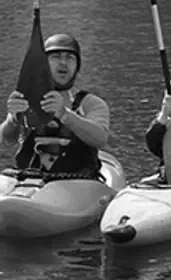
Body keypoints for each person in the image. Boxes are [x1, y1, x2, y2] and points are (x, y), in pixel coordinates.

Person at [3, 33, 111, 181]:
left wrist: (64, 114)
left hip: (78, 182)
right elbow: (7, 138)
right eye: (56, 57)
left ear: (77, 67)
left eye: (70, 58)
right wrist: (13, 120)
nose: (63, 63)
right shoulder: (27, 102)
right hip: (29, 179)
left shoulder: (91, 103)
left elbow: (100, 139)